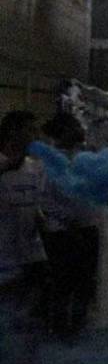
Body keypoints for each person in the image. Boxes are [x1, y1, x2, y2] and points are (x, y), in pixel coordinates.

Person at [39, 113, 102, 338]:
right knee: (64, 284)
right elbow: (45, 199)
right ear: (63, 131)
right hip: (64, 233)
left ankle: (77, 327)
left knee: (84, 283)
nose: (79, 130)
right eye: (74, 126)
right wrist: (69, 219)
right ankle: (59, 331)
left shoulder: (82, 157)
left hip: (87, 228)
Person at [0, 110, 50, 335]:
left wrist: (46, 230)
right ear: (13, 131)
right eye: (30, 130)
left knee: (31, 313)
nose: (35, 136)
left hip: (32, 254)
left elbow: (36, 205)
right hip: (4, 255)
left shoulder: (35, 167)